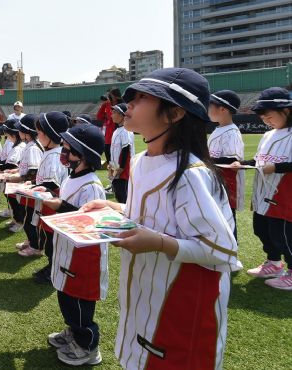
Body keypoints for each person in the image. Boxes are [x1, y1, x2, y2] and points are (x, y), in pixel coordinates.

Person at [83, 68, 239, 369]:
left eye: (142, 98)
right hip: (146, 296)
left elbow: (222, 250)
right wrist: (111, 207)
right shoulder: (142, 161)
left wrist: (158, 242)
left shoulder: (191, 175)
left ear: (175, 114)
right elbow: (149, 214)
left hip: (181, 307)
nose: (129, 104)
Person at [41, 124, 107, 366]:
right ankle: (73, 331)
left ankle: (88, 346)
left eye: (69, 149)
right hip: (67, 250)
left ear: (84, 155)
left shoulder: (92, 185)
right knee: (66, 296)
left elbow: (89, 221)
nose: (64, 152)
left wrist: (57, 205)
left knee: (79, 301)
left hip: (83, 256)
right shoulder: (73, 176)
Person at [242, 87, 292, 289]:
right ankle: (273, 263)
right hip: (263, 193)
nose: (266, 121)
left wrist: (276, 167)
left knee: (284, 237)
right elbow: (259, 160)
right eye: (263, 118)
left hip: (284, 194)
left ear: (286, 111)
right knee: (261, 229)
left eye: (269, 116)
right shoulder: (268, 135)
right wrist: (243, 163)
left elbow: (276, 164)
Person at [19, 112, 69, 279]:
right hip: (48, 206)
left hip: (52, 208)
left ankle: (53, 269)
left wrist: (33, 189)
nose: (37, 134)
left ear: (50, 135)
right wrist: (33, 185)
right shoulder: (51, 152)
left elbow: (52, 186)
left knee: (51, 241)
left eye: (40, 132)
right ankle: (52, 266)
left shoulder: (55, 156)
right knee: (48, 239)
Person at [208, 90, 244, 241]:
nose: (208, 110)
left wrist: (204, 160)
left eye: (210, 106)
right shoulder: (218, 129)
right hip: (216, 181)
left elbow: (230, 161)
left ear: (223, 109)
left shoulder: (231, 132)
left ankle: (231, 252)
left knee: (228, 218)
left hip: (227, 184)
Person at [4, 114, 42, 235]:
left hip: (29, 190)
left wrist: (18, 178)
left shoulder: (33, 148)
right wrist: (16, 171)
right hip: (24, 188)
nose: (18, 132)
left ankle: (33, 244)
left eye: (20, 129)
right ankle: (30, 241)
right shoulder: (29, 145)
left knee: (29, 216)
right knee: (25, 213)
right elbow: (25, 166)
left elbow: (33, 172)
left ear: (26, 132)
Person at [109, 103, 134, 204]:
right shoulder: (117, 130)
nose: (112, 115)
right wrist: (111, 167)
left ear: (122, 115)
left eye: (114, 112)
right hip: (115, 166)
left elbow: (126, 149)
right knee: (118, 192)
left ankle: (127, 215)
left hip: (123, 169)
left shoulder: (126, 130)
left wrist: (121, 168)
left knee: (123, 194)